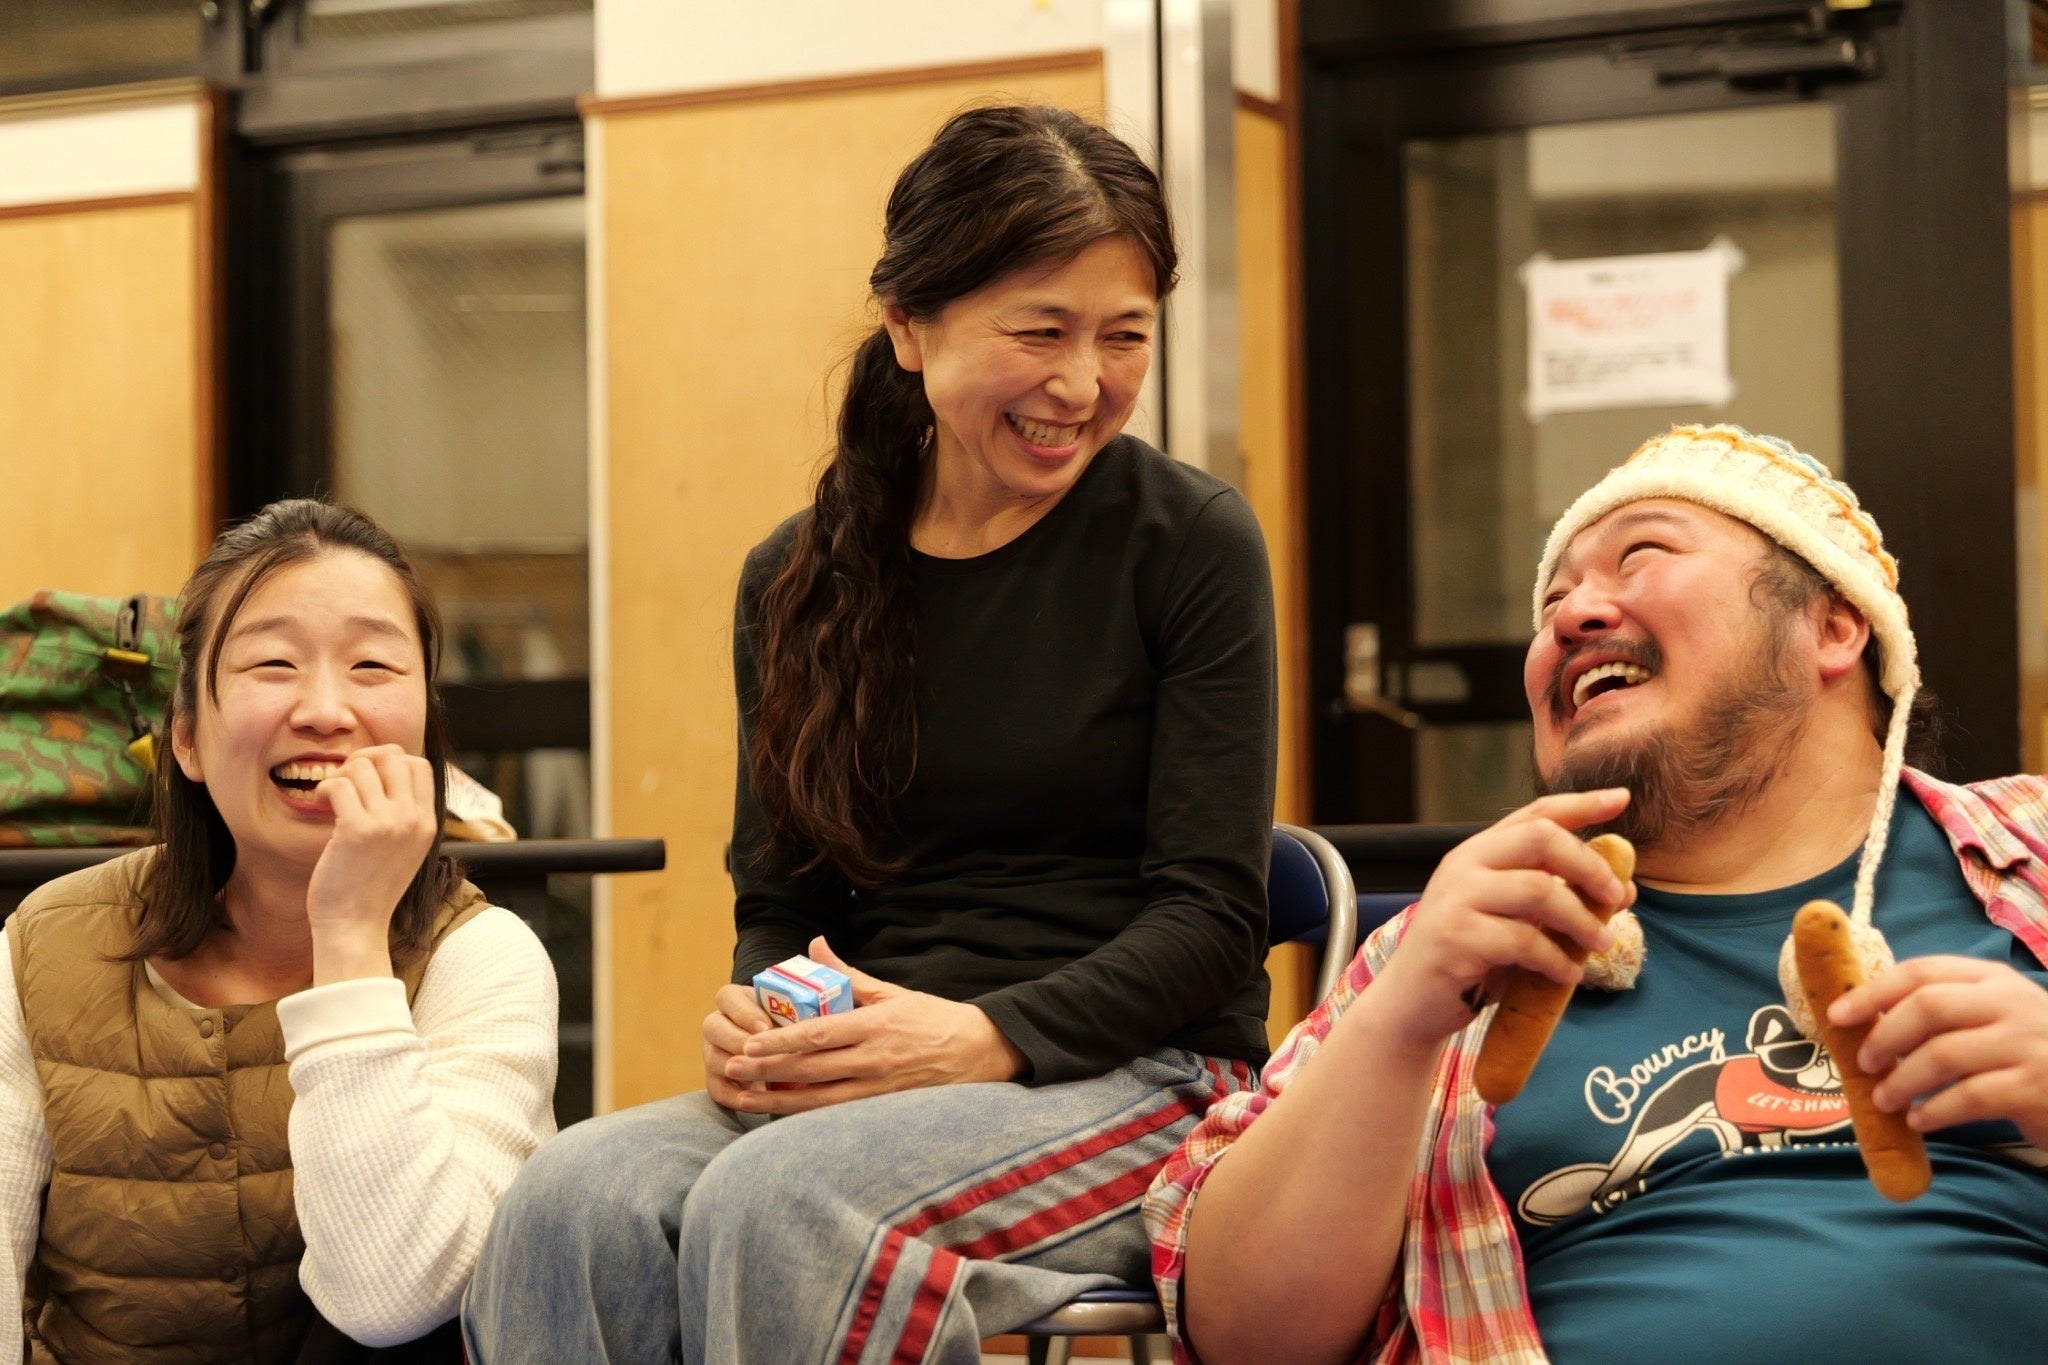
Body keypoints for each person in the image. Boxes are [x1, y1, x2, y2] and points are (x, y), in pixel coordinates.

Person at [463, 103, 1277, 1363]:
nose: (1082, 383)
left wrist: (980, 1040)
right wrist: (762, 1011)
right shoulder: (799, 577)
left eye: (1123, 337)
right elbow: (781, 899)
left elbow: (1212, 919)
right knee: (570, 1201)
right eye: (1040, 331)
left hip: (1149, 1077)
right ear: (907, 325)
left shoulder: (1189, 545)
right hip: (877, 1074)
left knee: (779, 1206)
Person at [1148, 424, 2048, 1365]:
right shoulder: (1457, 945)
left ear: (1832, 625)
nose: (1570, 616)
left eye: (1641, 555)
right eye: (1552, 600)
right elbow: (1245, 1337)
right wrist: (1400, 1019)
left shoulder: (2028, 849)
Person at [0, 501, 559, 1363]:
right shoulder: (42, 949)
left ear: (426, 731)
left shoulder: (485, 960)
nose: (326, 710)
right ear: (187, 737)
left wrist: (350, 930)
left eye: (372, 664)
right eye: (272, 663)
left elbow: (395, 1294)